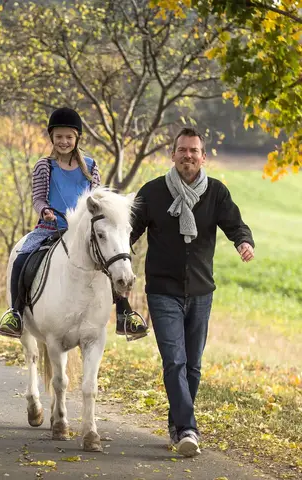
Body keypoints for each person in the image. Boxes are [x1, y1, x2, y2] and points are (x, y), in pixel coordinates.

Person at [131, 127, 255, 457]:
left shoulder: (216, 193)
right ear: (172, 155)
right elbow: (127, 230)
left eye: (194, 151)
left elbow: (235, 224)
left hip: (201, 292)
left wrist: (243, 242)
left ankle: (177, 423)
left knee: (194, 366)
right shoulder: (154, 192)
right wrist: (112, 261)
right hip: (162, 290)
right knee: (175, 361)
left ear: (203, 157)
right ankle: (188, 428)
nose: (188, 155)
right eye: (182, 150)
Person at [0, 107, 149, 339]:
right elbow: (38, 198)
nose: (64, 141)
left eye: (69, 136)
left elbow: (96, 199)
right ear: (52, 138)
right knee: (21, 258)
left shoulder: (90, 166)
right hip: (50, 229)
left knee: (114, 261)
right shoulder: (44, 166)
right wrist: (45, 210)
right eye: (59, 137)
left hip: (82, 233)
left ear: (77, 137)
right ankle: (15, 313)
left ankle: (124, 314)